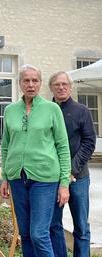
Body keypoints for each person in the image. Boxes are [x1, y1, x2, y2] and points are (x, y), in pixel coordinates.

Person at [0, 64, 71, 257]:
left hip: (45, 179)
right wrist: (4, 177)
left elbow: (63, 148)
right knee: (25, 234)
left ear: (40, 84)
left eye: (35, 80)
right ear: (20, 83)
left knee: (39, 234)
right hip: (16, 178)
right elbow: (6, 145)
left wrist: (64, 183)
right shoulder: (10, 110)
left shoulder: (52, 109)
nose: (31, 84)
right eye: (26, 80)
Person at [49, 71, 96, 257]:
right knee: (54, 225)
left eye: (64, 84)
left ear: (71, 87)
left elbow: (89, 142)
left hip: (78, 178)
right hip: (51, 177)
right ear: (51, 88)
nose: (61, 87)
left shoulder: (82, 111)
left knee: (81, 226)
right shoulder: (46, 111)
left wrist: (71, 170)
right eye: (57, 84)